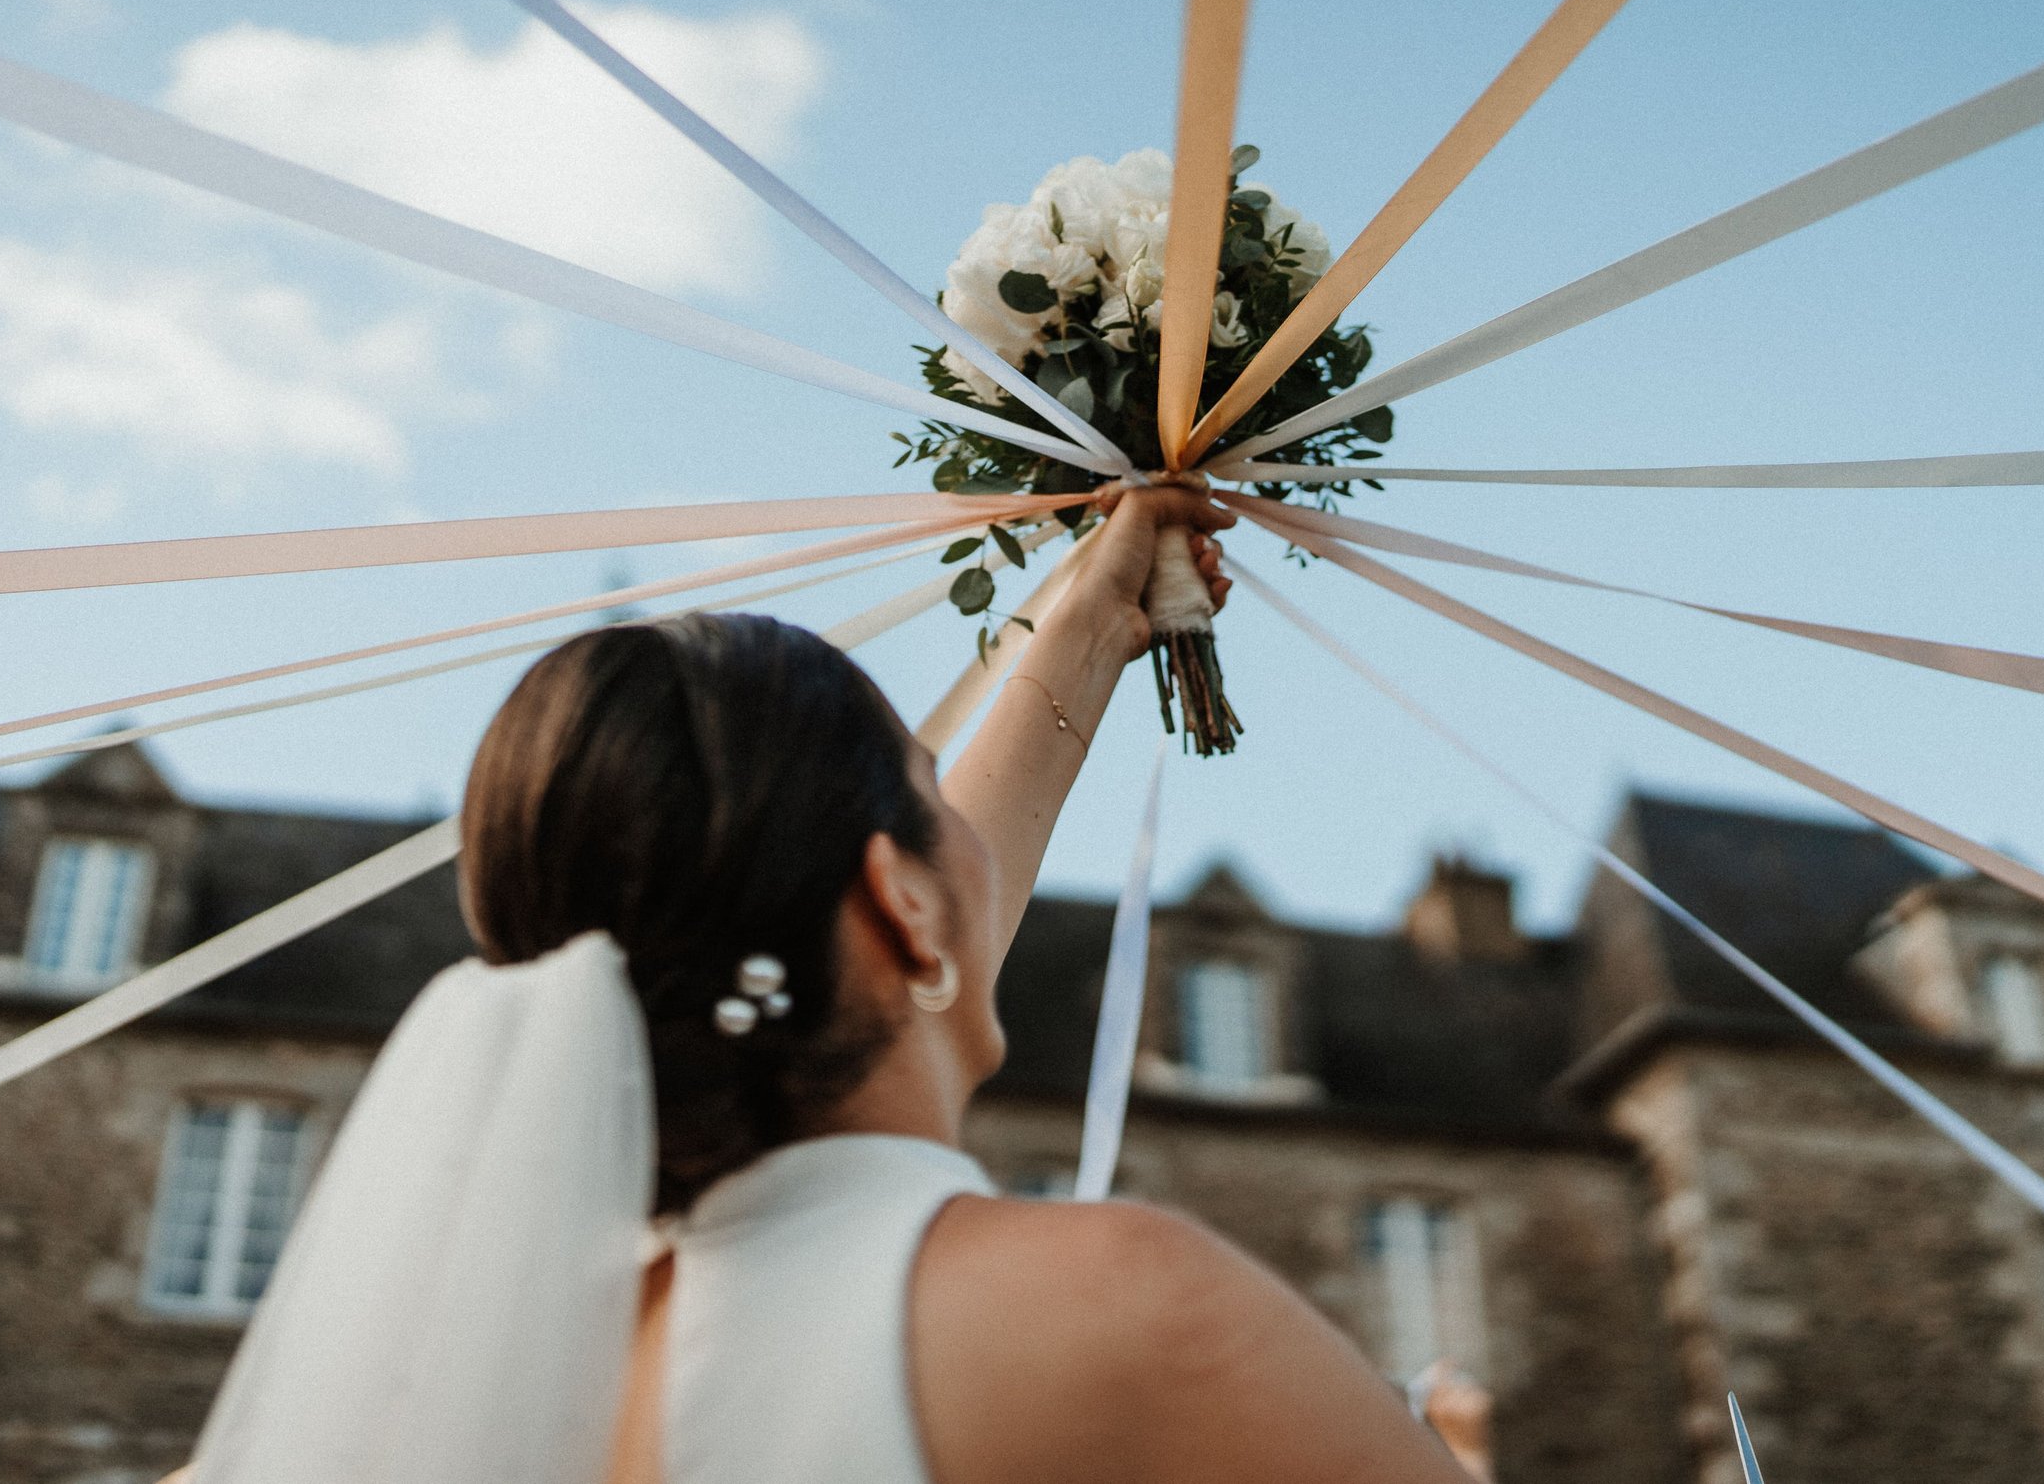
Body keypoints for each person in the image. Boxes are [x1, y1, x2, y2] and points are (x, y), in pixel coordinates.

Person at [170, 487, 1492, 1484]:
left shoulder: (463, 1385)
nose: (969, 846)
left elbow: (922, 890)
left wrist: (1086, 632)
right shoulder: (1115, 1302)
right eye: (933, 804)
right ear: (901, 904)